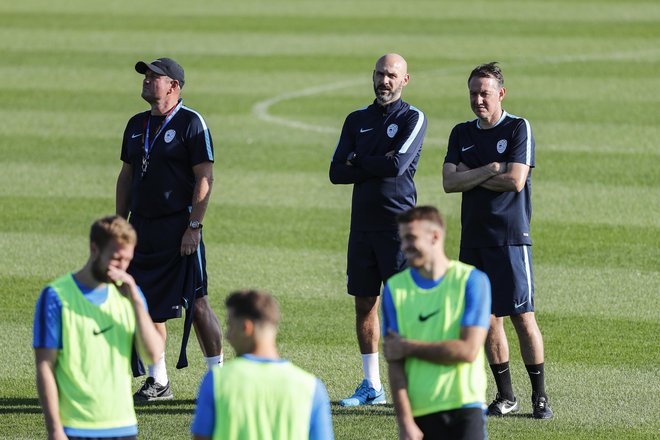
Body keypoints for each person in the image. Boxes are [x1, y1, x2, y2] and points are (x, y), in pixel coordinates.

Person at [442, 62, 553, 419]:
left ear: (500, 93)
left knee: (522, 315)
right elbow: (448, 182)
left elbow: (515, 180)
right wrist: (491, 168)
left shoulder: (518, 127)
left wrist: (471, 175)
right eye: (473, 93)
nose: (478, 100)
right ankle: (506, 395)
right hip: (473, 238)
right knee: (488, 318)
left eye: (484, 93)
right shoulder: (461, 132)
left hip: (510, 237)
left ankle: (540, 396)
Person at [116, 57, 224, 401]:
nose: (147, 81)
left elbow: (204, 177)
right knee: (145, 304)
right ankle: (158, 380)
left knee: (197, 303)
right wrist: (120, 224)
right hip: (141, 228)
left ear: (173, 86)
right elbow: (127, 176)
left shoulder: (192, 123)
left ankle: (218, 381)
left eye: (154, 77)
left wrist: (194, 226)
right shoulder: (136, 124)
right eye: (145, 77)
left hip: (180, 226)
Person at [329, 53, 427, 406]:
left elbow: (398, 164)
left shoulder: (413, 117)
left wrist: (359, 161)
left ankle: (412, 386)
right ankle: (372, 385)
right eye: (380, 74)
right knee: (364, 304)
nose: (385, 81)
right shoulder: (356, 120)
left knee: (403, 308)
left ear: (405, 80)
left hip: (398, 229)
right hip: (363, 229)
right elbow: (336, 171)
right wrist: (374, 164)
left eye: (392, 75)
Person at [33, 215, 164, 440]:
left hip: (123, 426)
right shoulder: (56, 296)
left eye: (127, 260)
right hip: (74, 427)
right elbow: (45, 367)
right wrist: (55, 430)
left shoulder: (130, 295)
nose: (122, 267)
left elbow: (153, 354)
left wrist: (136, 301)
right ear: (94, 249)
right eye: (116, 259)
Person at [382, 206, 491, 440]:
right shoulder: (394, 289)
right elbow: (394, 360)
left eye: (411, 238)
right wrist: (404, 423)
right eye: (402, 239)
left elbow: (468, 350)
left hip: (465, 408)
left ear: (435, 236)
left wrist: (408, 347)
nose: (404, 247)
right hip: (420, 414)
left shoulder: (472, 281)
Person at [191, 290, 334, 440]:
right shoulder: (311, 387)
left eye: (230, 326)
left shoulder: (217, 380)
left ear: (246, 328)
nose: (227, 335)